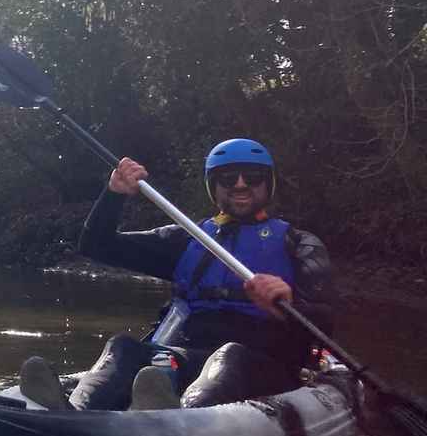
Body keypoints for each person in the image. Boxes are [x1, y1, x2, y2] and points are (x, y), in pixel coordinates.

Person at [19, 138, 335, 411]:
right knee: (124, 347)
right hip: (186, 356)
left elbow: (327, 321)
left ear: (268, 184)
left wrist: (289, 301)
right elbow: (96, 246)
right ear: (214, 187)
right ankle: (71, 412)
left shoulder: (299, 244)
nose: (240, 184)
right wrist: (114, 194)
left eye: (252, 177)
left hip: (265, 364)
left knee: (229, 357)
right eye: (228, 178)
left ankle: (181, 417)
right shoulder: (186, 239)